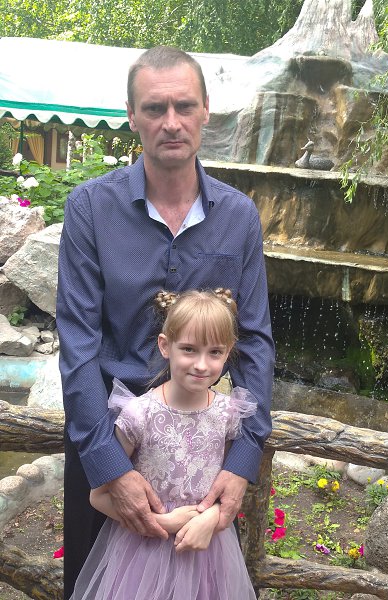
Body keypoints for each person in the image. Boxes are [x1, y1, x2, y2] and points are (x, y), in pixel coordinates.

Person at [57, 45, 275, 599]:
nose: (171, 122)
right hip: (111, 434)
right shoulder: (90, 209)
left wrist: (242, 460)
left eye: (184, 106)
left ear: (206, 110)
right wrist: (109, 466)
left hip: (201, 451)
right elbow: (78, 343)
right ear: (132, 116)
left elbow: (254, 342)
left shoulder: (238, 217)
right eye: (155, 108)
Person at [70, 289, 258, 599]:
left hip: (207, 554)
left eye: (215, 352)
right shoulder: (139, 415)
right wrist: (162, 523)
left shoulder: (228, 414)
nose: (201, 364)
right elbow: (98, 496)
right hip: (143, 556)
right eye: (189, 349)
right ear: (165, 345)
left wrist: (212, 518)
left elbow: (224, 488)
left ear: (229, 353)